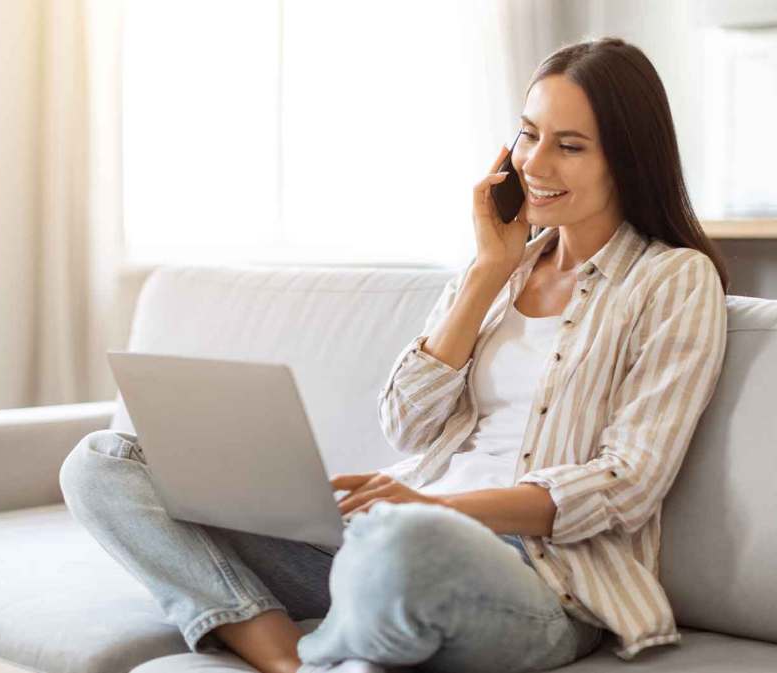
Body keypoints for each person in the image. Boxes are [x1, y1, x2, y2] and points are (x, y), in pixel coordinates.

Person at [58, 36, 730, 673]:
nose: (534, 163)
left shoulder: (673, 280)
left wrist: (438, 512)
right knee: (101, 463)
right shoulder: (500, 269)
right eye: (527, 133)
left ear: (629, 158)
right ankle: (277, 645)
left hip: (533, 576)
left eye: (570, 145)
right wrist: (486, 273)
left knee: (407, 548)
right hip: (386, 543)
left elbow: (630, 480)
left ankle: (339, 635)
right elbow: (405, 423)